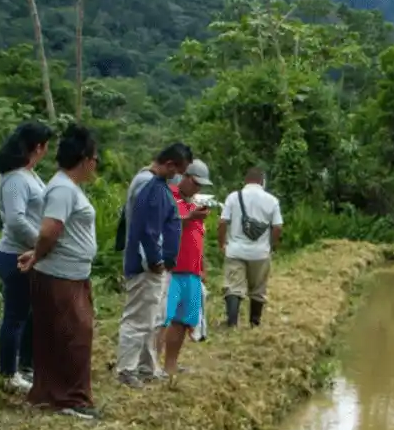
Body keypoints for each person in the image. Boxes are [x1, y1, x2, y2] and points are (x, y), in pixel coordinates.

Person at [17, 125, 102, 419]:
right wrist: (38, 254)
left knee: (67, 334)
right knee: (73, 336)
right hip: (60, 274)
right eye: (95, 159)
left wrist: (36, 253)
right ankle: (69, 399)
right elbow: (50, 230)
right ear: (85, 160)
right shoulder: (63, 189)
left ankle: (53, 394)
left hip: (72, 273)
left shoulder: (67, 188)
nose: (96, 165)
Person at [116, 143, 191, 385]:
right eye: (179, 171)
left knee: (151, 319)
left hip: (153, 265)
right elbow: (147, 230)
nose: (178, 177)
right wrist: (155, 259)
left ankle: (147, 367)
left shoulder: (157, 185)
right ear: (169, 165)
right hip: (146, 265)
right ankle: (126, 369)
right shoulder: (150, 186)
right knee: (138, 319)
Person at [0, 122, 53, 393]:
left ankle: (27, 365)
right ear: (38, 147)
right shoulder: (16, 178)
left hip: (30, 254)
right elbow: (15, 220)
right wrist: (41, 244)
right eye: (46, 145)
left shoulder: (29, 175)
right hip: (16, 254)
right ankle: (9, 373)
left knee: (30, 315)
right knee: (16, 316)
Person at [161, 159, 213, 377]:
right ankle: (154, 364)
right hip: (173, 270)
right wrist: (190, 217)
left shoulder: (193, 204)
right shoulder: (169, 196)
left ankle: (171, 364)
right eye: (195, 183)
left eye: (200, 185)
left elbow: (198, 238)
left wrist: (202, 266)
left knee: (183, 321)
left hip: (191, 271)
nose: (197, 188)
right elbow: (166, 224)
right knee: (166, 319)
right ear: (184, 177)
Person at [218, 167, 283, 327]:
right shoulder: (272, 200)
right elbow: (278, 227)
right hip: (260, 253)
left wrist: (222, 243)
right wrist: (270, 246)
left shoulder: (233, 197)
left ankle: (232, 323)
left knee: (233, 287)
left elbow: (222, 222)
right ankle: (254, 322)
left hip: (235, 250)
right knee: (258, 288)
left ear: (246, 180)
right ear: (262, 181)